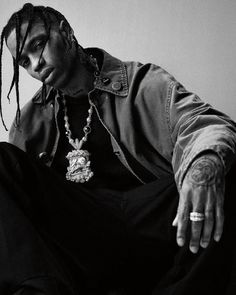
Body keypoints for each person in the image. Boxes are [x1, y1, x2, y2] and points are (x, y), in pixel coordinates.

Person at [0, 2, 236, 295]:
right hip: (81, 226)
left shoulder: (142, 82)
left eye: (39, 44)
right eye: (24, 61)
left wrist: (202, 168)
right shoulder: (29, 122)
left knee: (220, 163)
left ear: (66, 33)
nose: (36, 63)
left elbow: (201, 123)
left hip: (148, 215)